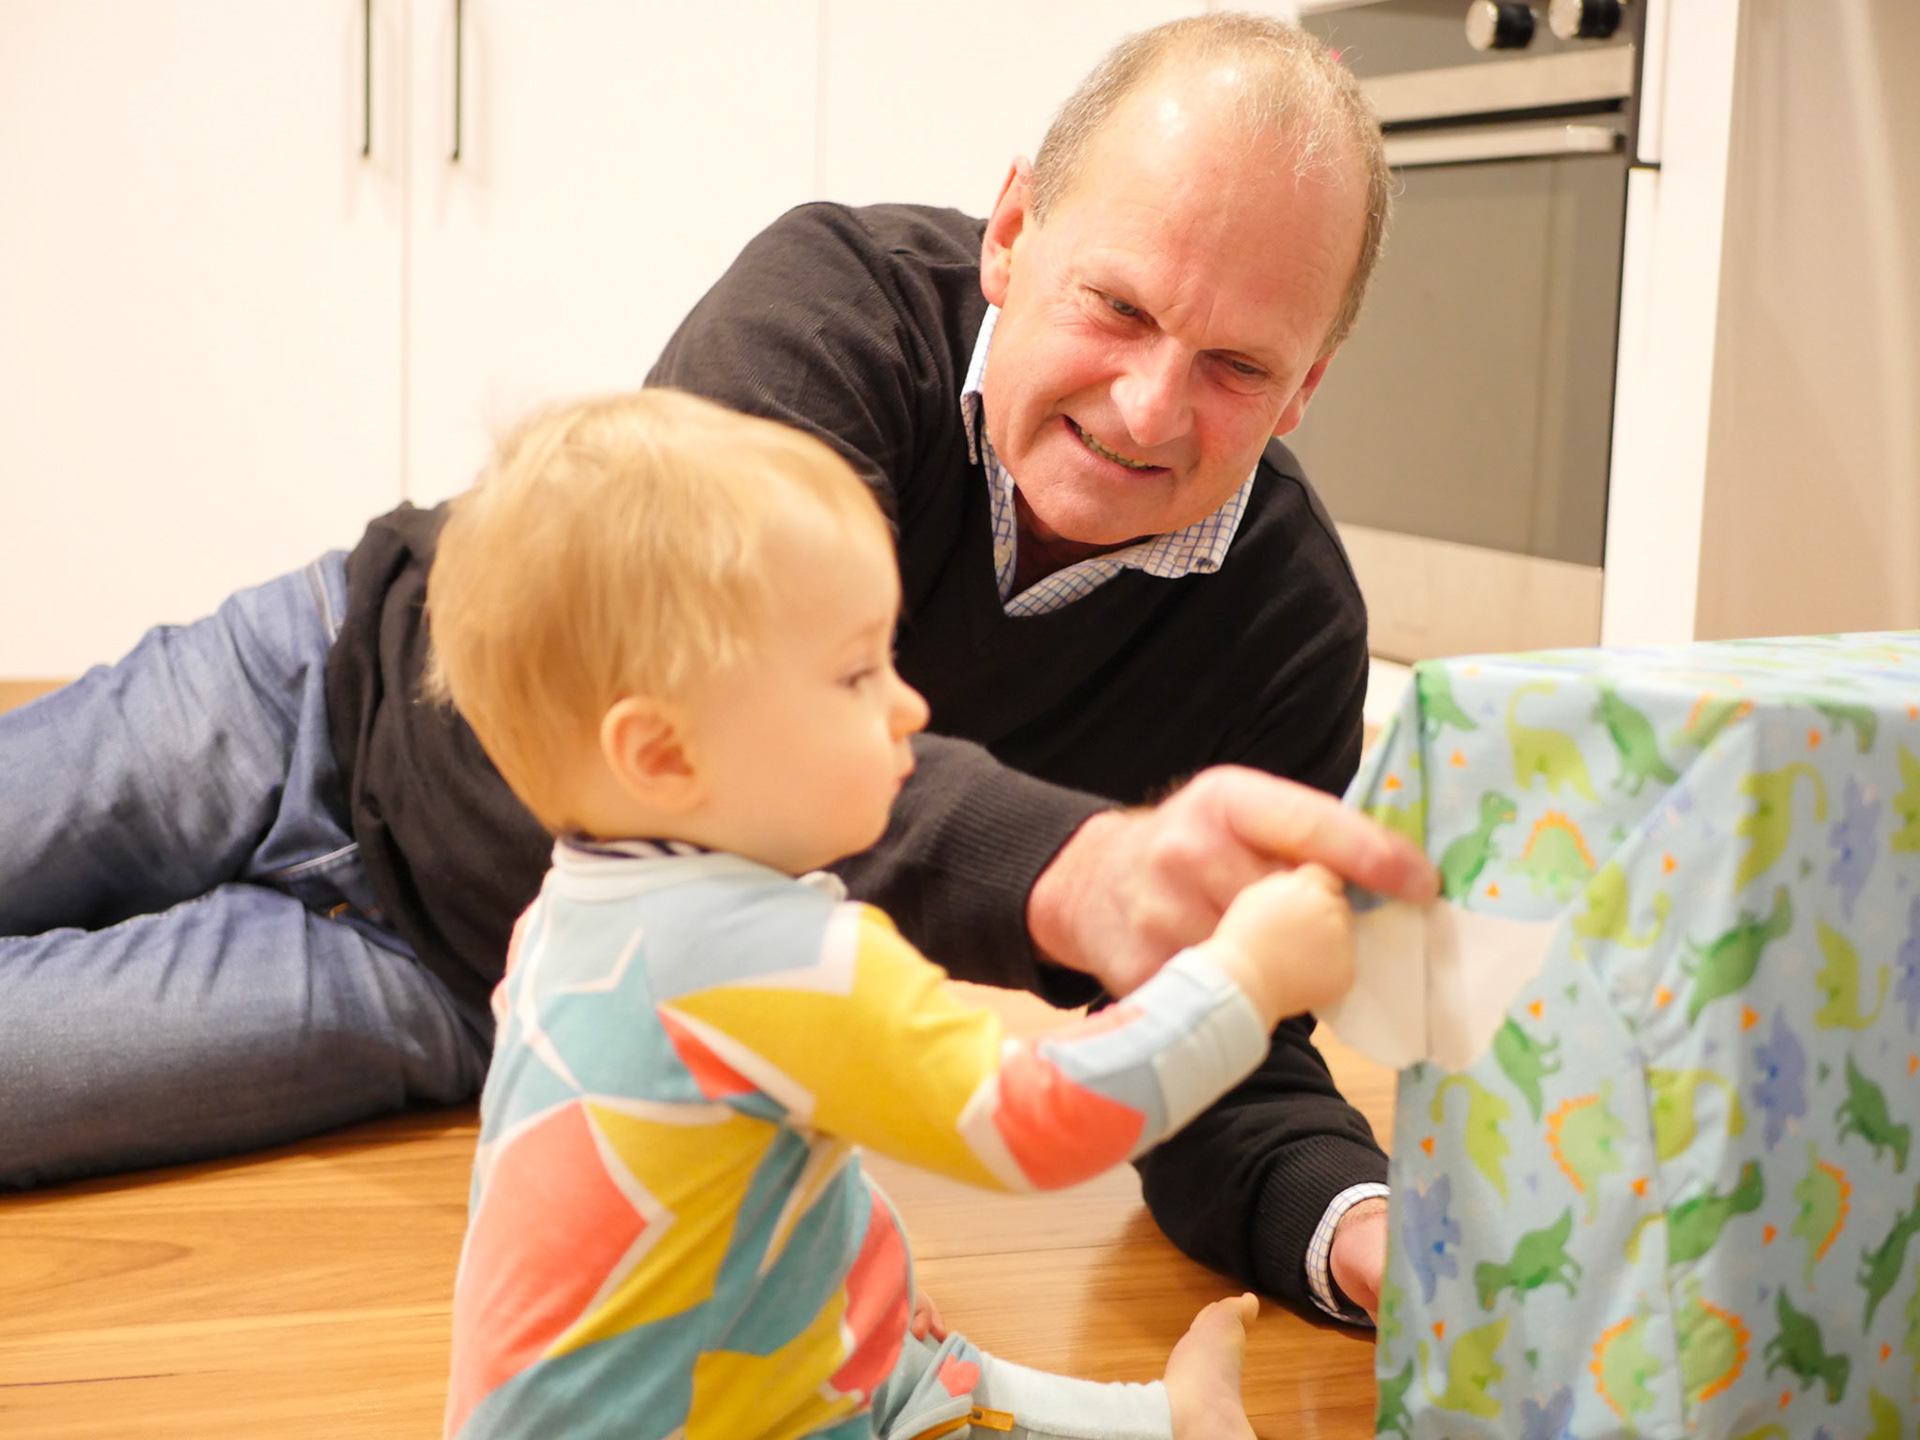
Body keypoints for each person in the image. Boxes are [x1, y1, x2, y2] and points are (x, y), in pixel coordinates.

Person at [0, 12, 1435, 1322]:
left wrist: (1364, 1230)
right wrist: (1080, 870)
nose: (1149, 406)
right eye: (1118, 307)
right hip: (315, 686)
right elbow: (730, 734)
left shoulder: (1288, 632)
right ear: (1012, 232)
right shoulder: (835, 305)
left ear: (1305, 387)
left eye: (1239, 367)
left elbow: (1228, 1037)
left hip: (459, 970)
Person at [430, 387, 1358, 1440]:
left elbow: (721, 1165)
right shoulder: (779, 954)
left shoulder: (573, 912)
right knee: (912, 1390)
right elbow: (1035, 1126)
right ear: (664, 755)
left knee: (917, 1364)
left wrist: (854, 1269)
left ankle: (1165, 1418)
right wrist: (1244, 979)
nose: (910, 706)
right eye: (857, 675)